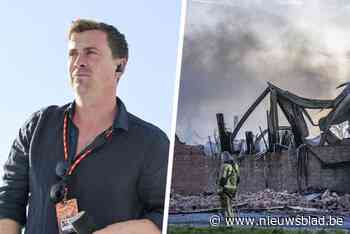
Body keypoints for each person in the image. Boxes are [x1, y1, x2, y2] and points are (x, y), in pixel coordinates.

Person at [0, 19, 169, 234]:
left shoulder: (151, 142)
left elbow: (164, 216)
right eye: (73, 53)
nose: (78, 61)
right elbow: (8, 202)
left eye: (90, 52)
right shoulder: (36, 128)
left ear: (120, 65)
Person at [218, 151, 240, 219]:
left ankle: (229, 219)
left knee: (226, 205)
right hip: (233, 188)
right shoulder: (236, 166)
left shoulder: (225, 166)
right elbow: (238, 178)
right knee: (230, 204)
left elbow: (223, 178)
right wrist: (235, 187)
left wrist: (221, 187)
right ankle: (231, 217)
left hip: (225, 188)